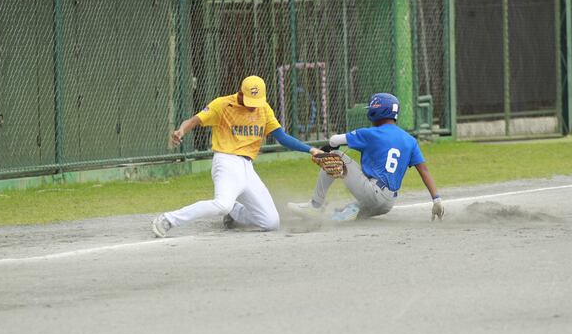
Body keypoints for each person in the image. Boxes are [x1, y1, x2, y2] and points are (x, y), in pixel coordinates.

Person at [152, 75, 322, 238]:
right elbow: (194, 120)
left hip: (248, 168)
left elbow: (282, 137)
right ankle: (168, 219)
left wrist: (311, 149)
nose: (253, 106)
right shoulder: (223, 104)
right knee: (221, 204)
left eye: (256, 102)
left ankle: (235, 211)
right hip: (227, 161)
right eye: (250, 101)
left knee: (271, 222)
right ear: (241, 93)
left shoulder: (263, 109)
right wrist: (181, 130)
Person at [288, 92, 444, 222]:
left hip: (373, 193)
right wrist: (436, 200)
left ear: (377, 111)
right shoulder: (410, 140)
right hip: (387, 204)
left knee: (335, 155)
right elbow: (424, 170)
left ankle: (315, 206)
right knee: (342, 212)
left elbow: (334, 140)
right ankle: (344, 212)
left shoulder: (371, 133)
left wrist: (325, 151)